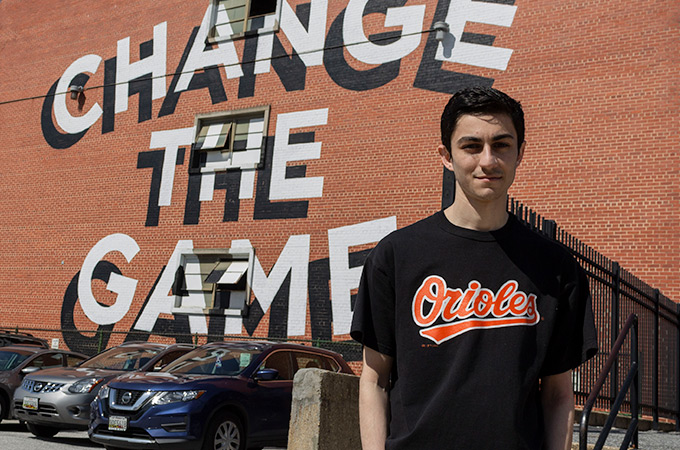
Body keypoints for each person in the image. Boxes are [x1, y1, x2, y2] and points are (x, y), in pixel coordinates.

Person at [350, 87, 598, 450]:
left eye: (501, 145)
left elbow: (559, 394)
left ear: (520, 153)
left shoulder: (557, 268)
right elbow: (374, 379)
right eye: (471, 146)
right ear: (446, 156)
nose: (488, 160)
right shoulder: (396, 256)